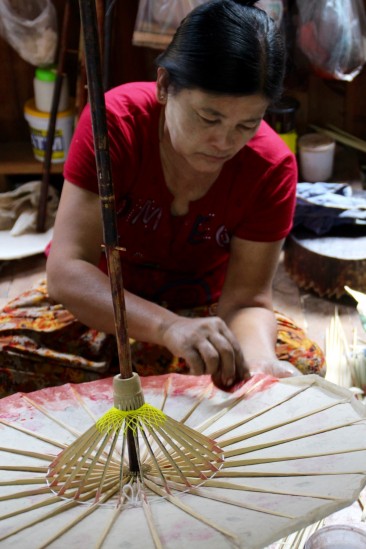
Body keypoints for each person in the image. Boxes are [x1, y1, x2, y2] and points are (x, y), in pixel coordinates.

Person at [0, 0, 325, 396]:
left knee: (299, 369)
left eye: (247, 124)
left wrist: (256, 363)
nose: (224, 142)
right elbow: (68, 271)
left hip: (205, 316)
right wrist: (167, 327)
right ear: (164, 85)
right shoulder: (113, 125)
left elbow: (246, 301)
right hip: (103, 304)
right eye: (208, 118)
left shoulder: (271, 167)